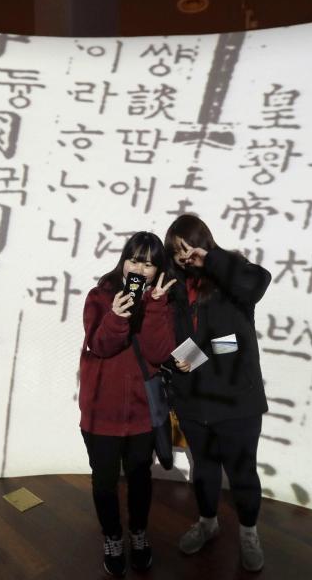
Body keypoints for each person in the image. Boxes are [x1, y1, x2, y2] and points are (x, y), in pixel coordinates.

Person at [163, 214, 272, 572]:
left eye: (188, 247)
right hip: (195, 403)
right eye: (175, 251)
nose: (183, 257)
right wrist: (184, 363)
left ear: (204, 241)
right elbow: (182, 342)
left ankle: (248, 533)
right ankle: (208, 523)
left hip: (237, 401)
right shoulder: (176, 289)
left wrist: (211, 260)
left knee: (242, 474)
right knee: (204, 472)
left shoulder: (231, 273)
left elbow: (235, 336)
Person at [78, 231, 176, 578]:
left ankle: (138, 533)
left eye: (148, 263)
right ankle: (112, 539)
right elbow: (99, 346)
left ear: (157, 269)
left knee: (139, 478)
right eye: (134, 259)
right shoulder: (100, 296)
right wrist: (117, 316)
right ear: (123, 260)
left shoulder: (161, 300)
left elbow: (158, 353)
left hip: (140, 414)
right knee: (104, 482)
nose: (139, 268)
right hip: (100, 413)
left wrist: (156, 306)